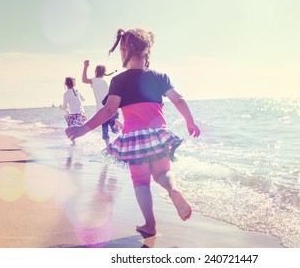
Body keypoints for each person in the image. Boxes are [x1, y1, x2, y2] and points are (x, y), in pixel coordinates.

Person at [65, 28, 200, 236]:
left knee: (140, 182)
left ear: (124, 50)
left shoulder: (119, 81)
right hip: (157, 136)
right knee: (164, 173)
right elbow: (178, 99)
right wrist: (190, 122)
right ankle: (173, 190)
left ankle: (150, 224)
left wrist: (83, 128)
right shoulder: (159, 76)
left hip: (134, 140)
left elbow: (109, 110)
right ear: (147, 51)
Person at [82, 60, 123, 146]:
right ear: (104, 73)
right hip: (113, 108)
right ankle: (117, 122)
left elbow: (84, 80)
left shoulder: (94, 80)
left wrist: (85, 67)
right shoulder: (106, 82)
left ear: (96, 72)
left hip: (102, 110)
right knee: (115, 130)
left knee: (105, 130)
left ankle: (107, 146)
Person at [60, 77, 87, 146]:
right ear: (74, 84)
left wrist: (61, 107)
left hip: (74, 115)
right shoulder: (77, 91)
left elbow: (65, 107)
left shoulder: (66, 94)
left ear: (65, 84)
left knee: (70, 126)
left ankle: (74, 143)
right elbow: (83, 100)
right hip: (82, 114)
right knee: (80, 127)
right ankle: (83, 141)